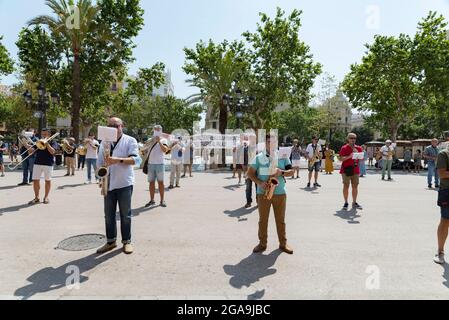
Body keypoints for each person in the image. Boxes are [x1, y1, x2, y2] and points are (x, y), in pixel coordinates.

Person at [96, 117, 139, 255]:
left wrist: (118, 160)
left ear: (122, 126)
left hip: (124, 183)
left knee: (125, 215)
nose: (113, 127)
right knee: (108, 215)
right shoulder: (104, 142)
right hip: (108, 182)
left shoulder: (130, 140)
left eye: (116, 125)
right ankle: (110, 241)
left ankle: (127, 241)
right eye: (110, 125)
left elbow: (136, 159)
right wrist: (100, 177)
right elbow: (100, 161)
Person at [247, 134, 295, 254]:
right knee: (263, 220)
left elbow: (291, 172)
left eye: (273, 142)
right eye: (269, 142)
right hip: (263, 193)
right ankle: (262, 244)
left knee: (281, 220)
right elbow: (250, 173)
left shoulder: (283, 156)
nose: (271, 144)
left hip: (280, 193)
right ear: (266, 143)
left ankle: (283, 244)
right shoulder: (258, 157)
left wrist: (282, 172)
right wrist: (259, 183)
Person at [28, 128, 58, 205]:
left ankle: (46, 197)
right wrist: (25, 144)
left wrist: (47, 143)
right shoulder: (39, 141)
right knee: (35, 180)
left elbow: (53, 152)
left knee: (47, 180)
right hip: (37, 163)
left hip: (48, 163)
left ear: (49, 134)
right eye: (42, 134)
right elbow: (32, 151)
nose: (43, 136)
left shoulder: (53, 142)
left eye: (45, 134)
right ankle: (37, 197)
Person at [144, 125, 169, 208]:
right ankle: (152, 200)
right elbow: (145, 150)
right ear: (153, 130)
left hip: (160, 164)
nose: (157, 130)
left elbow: (165, 150)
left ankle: (162, 200)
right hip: (151, 164)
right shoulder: (150, 140)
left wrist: (159, 142)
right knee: (151, 183)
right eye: (155, 129)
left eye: (158, 129)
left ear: (161, 130)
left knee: (161, 183)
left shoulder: (164, 140)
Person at [433, 131, 449, 264]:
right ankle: (440, 251)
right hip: (447, 191)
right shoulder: (443, 154)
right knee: (445, 221)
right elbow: (442, 174)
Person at [339, 133, 363, 210]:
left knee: (355, 186)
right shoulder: (344, 148)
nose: (353, 140)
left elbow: (362, 159)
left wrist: (358, 154)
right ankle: (346, 202)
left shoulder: (358, 148)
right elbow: (341, 159)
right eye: (351, 138)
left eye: (354, 138)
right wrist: (350, 156)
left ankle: (354, 202)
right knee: (346, 186)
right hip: (346, 170)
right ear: (348, 139)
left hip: (355, 170)